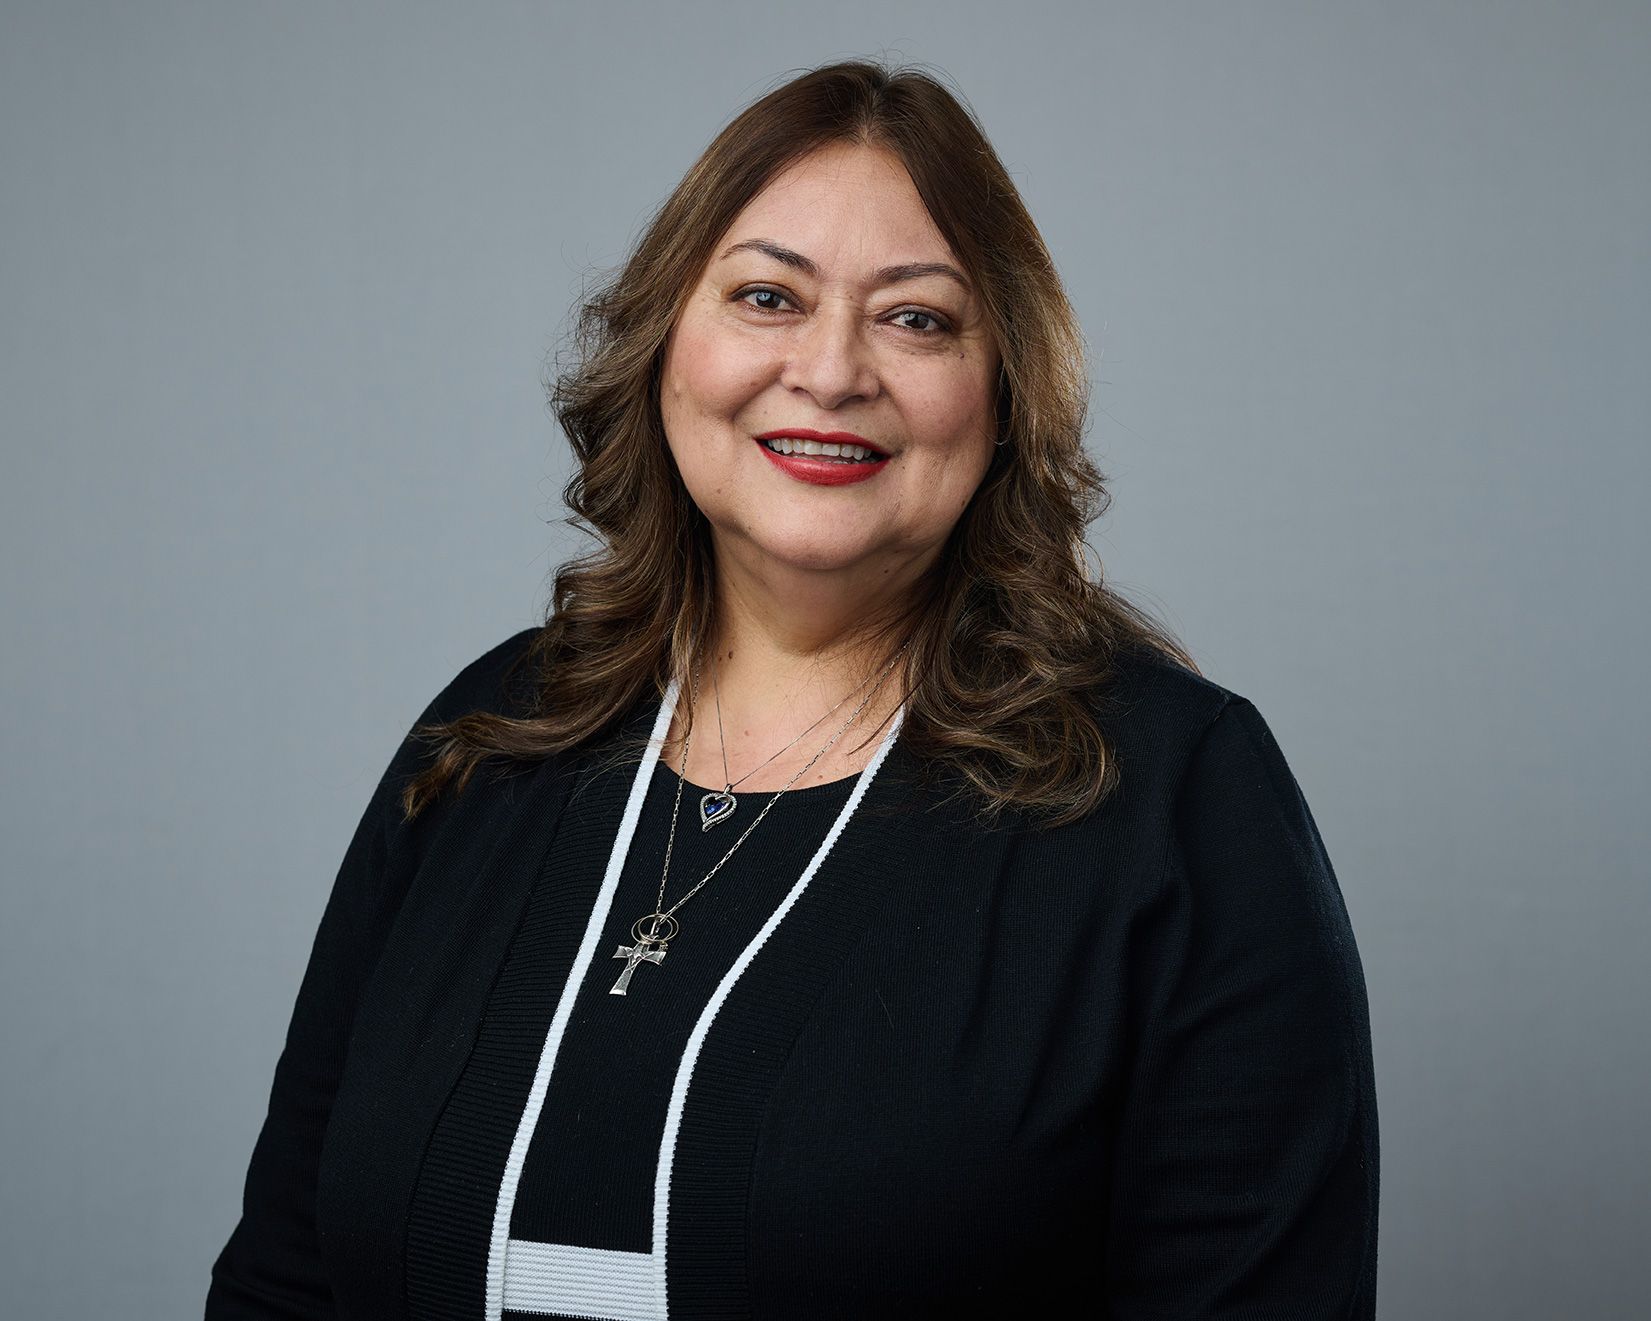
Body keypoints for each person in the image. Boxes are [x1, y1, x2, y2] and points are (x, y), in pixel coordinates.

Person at [206, 59, 1378, 1320]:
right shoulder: (489, 742)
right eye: (767, 296)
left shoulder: (1173, 797)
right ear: (664, 345)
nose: (829, 372)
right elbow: (286, 1277)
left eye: (917, 318)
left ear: (1005, 389)